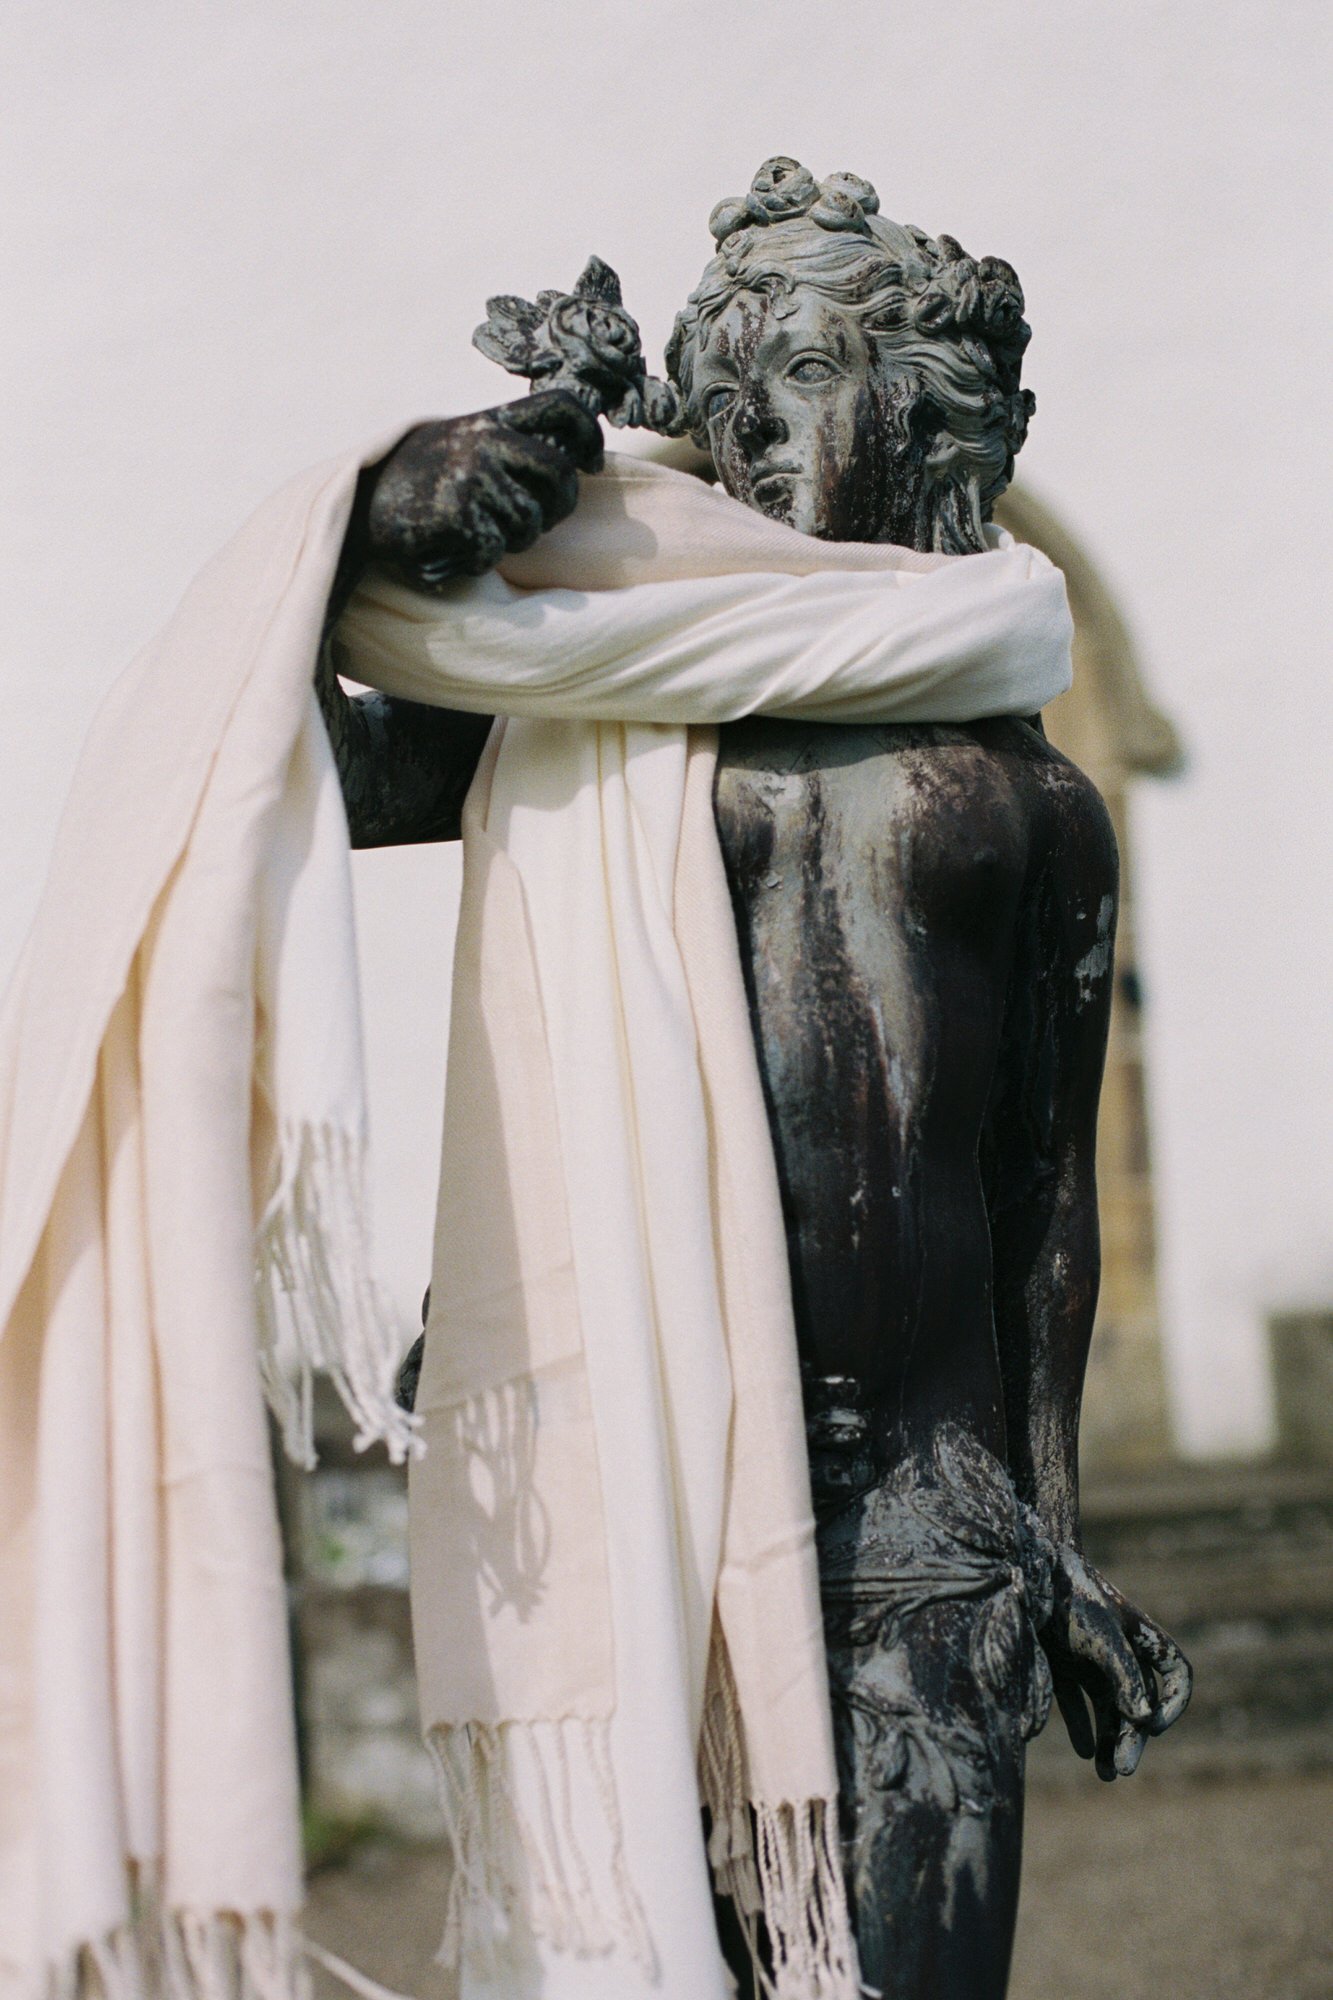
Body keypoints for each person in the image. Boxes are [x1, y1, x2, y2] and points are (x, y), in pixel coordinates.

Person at [319, 160, 1191, 1998]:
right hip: (637, 1458)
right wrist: (379, 516)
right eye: (738, 379)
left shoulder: (1025, 784)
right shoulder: (598, 701)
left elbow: (1045, 1194)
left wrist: (1059, 1529)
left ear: (938, 407)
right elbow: (284, 766)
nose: (763, 420)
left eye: (813, 369)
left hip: (929, 1507)